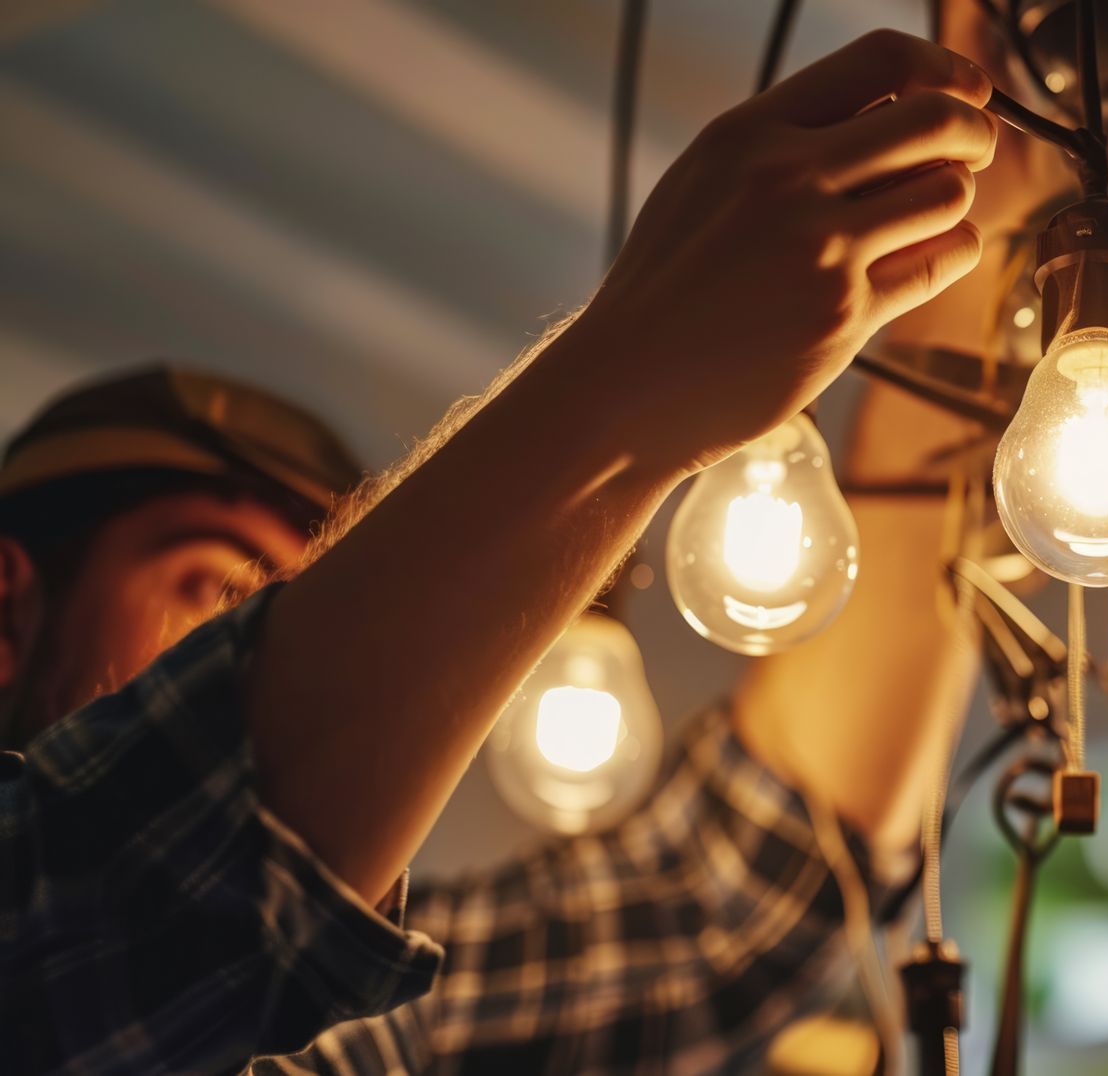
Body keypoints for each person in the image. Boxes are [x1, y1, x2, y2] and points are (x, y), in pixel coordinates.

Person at [0, 28, 1045, 1073]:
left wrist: (957, 265)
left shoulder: (376, 1034)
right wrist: (637, 376)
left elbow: (741, 900)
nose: (282, 647)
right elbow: (153, 884)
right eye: (220, 589)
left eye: (297, 606)